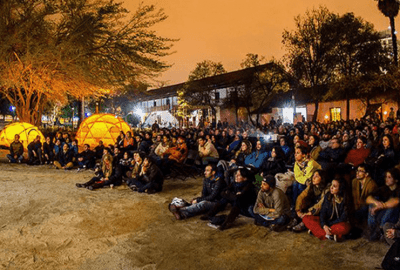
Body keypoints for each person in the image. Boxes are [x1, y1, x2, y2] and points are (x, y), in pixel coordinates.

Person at [366, 168, 400, 241]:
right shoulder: (384, 188)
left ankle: (381, 231)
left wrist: (381, 206)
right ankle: (372, 228)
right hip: (382, 214)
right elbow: (368, 198)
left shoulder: (398, 189)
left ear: (396, 179)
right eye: (386, 177)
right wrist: (376, 203)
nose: (386, 179)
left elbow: (396, 201)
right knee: (371, 205)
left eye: (389, 177)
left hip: (395, 218)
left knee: (391, 208)